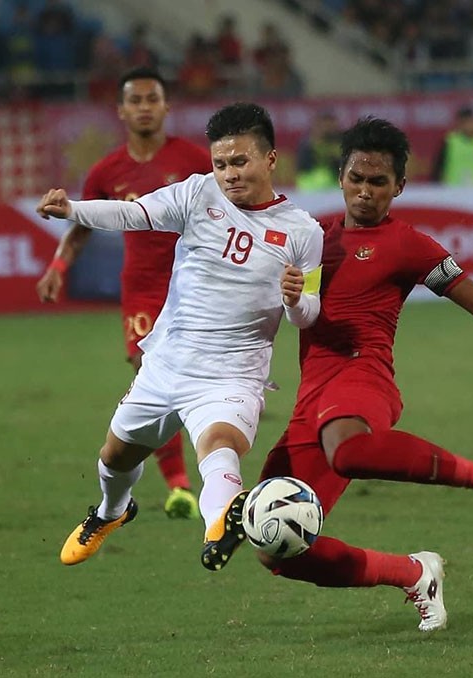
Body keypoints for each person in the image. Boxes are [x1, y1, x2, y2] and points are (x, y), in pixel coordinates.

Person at [220, 117, 473, 632]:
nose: (365, 191)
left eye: (378, 181)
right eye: (356, 178)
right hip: (311, 402)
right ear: (340, 177)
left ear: (399, 187)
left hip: (363, 376)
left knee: (349, 450)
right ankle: (412, 573)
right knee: (276, 549)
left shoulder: (408, 244)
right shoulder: (310, 239)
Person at [36, 102, 325, 571]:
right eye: (221, 163)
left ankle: (220, 526)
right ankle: (112, 512)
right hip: (167, 363)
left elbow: (309, 315)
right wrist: (73, 209)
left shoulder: (303, 232)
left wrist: (295, 300)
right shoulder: (197, 193)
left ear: (270, 159)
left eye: (240, 161)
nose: (229, 174)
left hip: (232, 374)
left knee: (219, 445)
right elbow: (131, 213)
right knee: (115, 457)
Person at [35, 67, 213, 520]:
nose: (144, 108)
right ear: (121, 110)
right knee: (150, 373)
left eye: (152, 99)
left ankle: (210, 471)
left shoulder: (195, 160)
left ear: (166, 106)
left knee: (196, 379)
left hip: (193, 283)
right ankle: (180, 486)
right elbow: (82, 225)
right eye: (135, 100)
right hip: (143, 287)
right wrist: (57, 267)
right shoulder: (106, 171)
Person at [432, 105, 473, 186]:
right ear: (459, 123)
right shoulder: (450, 142)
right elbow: (438, 169)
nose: (468, 125)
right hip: (453, 190)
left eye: (470, 121)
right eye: (464, 122)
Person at [295, 110, 341, 193]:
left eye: (331, 124)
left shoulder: (339, 143)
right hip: (310, 187)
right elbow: (303, 167)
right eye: (325, 124)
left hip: (334, 187)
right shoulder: (308, 144)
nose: (328, 128)